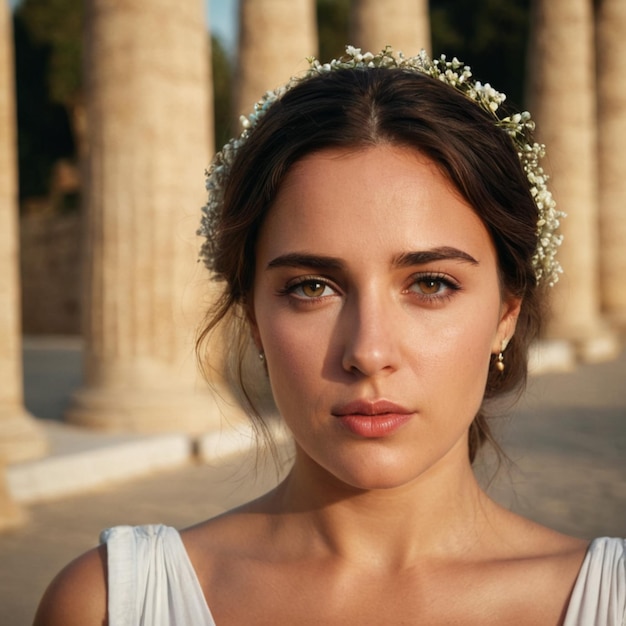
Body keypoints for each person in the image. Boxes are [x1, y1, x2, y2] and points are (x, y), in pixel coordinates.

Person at [34, 46, 624, 626]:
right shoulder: (110, 605)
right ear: (253, 317)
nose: (368, 352)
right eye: (313, 287)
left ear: (506, 315)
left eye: (431, 283)